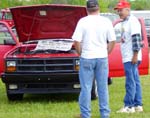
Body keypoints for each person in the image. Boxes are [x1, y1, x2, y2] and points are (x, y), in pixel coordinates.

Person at [72, 0, 116, 118]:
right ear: (98, 8)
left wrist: (80, 53)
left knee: (86, 87)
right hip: (102, 57)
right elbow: (112, 41)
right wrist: (107, 52)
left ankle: (86, 114)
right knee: (103, 87)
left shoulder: (83, 21)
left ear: (86, 9)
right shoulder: (106, 21)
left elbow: (76, 41)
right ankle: (105, 114)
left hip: (87, 57)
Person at [114, 0, 143, 113]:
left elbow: (136, 38)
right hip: (129, 55)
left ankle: (129, 106)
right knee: (135, 80)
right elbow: (129, 37)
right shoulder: (125, 22)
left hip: (131, 56)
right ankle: (138, 105)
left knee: (130, 82)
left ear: (128, 9)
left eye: (121, 10)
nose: (119, 12)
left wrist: (135, 55)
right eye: (118, 10)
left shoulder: (132, 21)